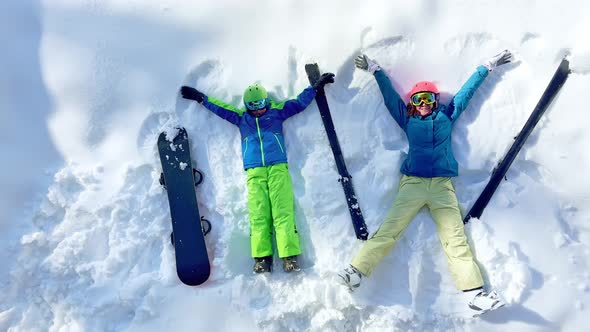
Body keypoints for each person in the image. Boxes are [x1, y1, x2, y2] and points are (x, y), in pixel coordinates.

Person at [338, 50, 513, 314]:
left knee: (455, 238)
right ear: (412, 103)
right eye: (418, 99)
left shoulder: (446, 117)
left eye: (428, 98)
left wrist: (486, 67)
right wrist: (376, 70)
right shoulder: (408, 120)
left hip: (442, 187)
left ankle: (475, 295)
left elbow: (466, 93)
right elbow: (390, 99)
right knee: (390, 229)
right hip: (414, 184)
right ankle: (356, 271)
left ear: (435, 101)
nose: (423, 103)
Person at [180, 72, 335, 273]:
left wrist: (315, 87)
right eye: (253, 108)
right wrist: (200, 97)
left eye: (261, 105)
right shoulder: (241, 119)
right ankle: (262, 258)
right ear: (247, 107)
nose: (258, 111)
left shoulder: (278, 112)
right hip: (254, 172)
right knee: (259, 214)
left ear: (266, 102)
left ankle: (289, 256)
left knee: (282, 211)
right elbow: (220, 108)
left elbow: (299, 102)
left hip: (278, 167)